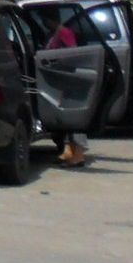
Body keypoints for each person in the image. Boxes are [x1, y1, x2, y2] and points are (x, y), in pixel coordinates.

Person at [42, 19, 91, 167]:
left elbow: (72, 52)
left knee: (74, 116)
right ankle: (68, 150)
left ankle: (79, 154)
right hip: (60, 79)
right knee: (65, 118)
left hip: (69, 78)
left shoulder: (64, 32)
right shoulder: (53, 34)